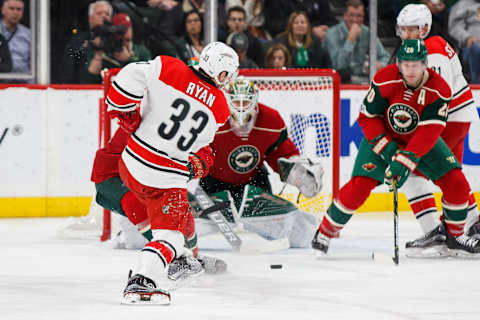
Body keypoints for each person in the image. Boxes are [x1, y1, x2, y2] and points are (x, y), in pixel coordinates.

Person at [311, 39, 480, 258]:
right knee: (360, 185)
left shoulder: (440, 90)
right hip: (384, 136)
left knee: (455, 180)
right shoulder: (384, 79)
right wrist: (390, 152)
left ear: (425, 64)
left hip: (418, 139)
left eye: (416, 65)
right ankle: (325, 231)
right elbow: (368, 118)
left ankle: (455, 236)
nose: (410, 71)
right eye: (405, 65)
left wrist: (405, 160)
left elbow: (429, 133)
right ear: (399, 63)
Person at [105, 41, 239, 304]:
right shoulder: (221, 108)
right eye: (228, 75)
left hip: (131, 162)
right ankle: (143, 281)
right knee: (172, 236)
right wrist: (198, 164)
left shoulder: (169, 66)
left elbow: (128, 75)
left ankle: (180, 259)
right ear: (222, 73)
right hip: (165, 177)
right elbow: (199, 152)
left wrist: (124, 109)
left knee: (169, 218)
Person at [193, 77, 324, 248]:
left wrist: (297, 172)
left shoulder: (271, 120)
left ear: (255, 101)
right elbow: (194, 153)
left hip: (253, 184)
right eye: (236, 102)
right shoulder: (213, 120)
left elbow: (280, 153)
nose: (241, 107)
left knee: (300, 227)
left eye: (246, 101)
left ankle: (312, 233)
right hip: (213, 185)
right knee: (181, 221)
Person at [395, 4, 480, 257]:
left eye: (411, 30)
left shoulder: (432, 50)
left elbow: (436, 97)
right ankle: (473, 223)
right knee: (450, 174)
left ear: (423, 28)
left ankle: (436, 230)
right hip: (455, 117)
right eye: (403, 30)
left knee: (413, 173)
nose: (406, 35)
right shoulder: (429, 46)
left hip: (448, 120)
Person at [323, 0, 390, 83]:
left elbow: (386, 57)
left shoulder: (367, 32)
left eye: (359, 16)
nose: (355, 19)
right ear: (344, 16)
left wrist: (380, 64)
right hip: (336, 82)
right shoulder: (332, 34)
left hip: (362, 80)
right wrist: (350, 39)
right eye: (351, 15)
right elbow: (339, 66)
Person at [87, 12, 152, 79]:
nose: (127, 31)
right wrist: (98, 55)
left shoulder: (141, 51)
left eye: (128, 28)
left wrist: (129, 60)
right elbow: (91, 76)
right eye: (122, 29)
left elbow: (148, 74)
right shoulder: (104, 50)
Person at [60, 0, 113, 83]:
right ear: (90, 18)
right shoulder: (78, 41)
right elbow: (68, 73)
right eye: (99, 13)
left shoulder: (116, 40)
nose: (104, 16)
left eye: (107, 14)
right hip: (83, 90)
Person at [448, 0, 480, 83]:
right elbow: (455, 27)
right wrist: (467, 37)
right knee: (477, 48)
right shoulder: (462, 5)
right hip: (471, 45)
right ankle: (476, 85)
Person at [0, 0, 30, 82]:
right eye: (11, 8)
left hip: (23, 82)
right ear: (2, 10)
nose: (15, 12)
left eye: (19, 9)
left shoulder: (29, 34)